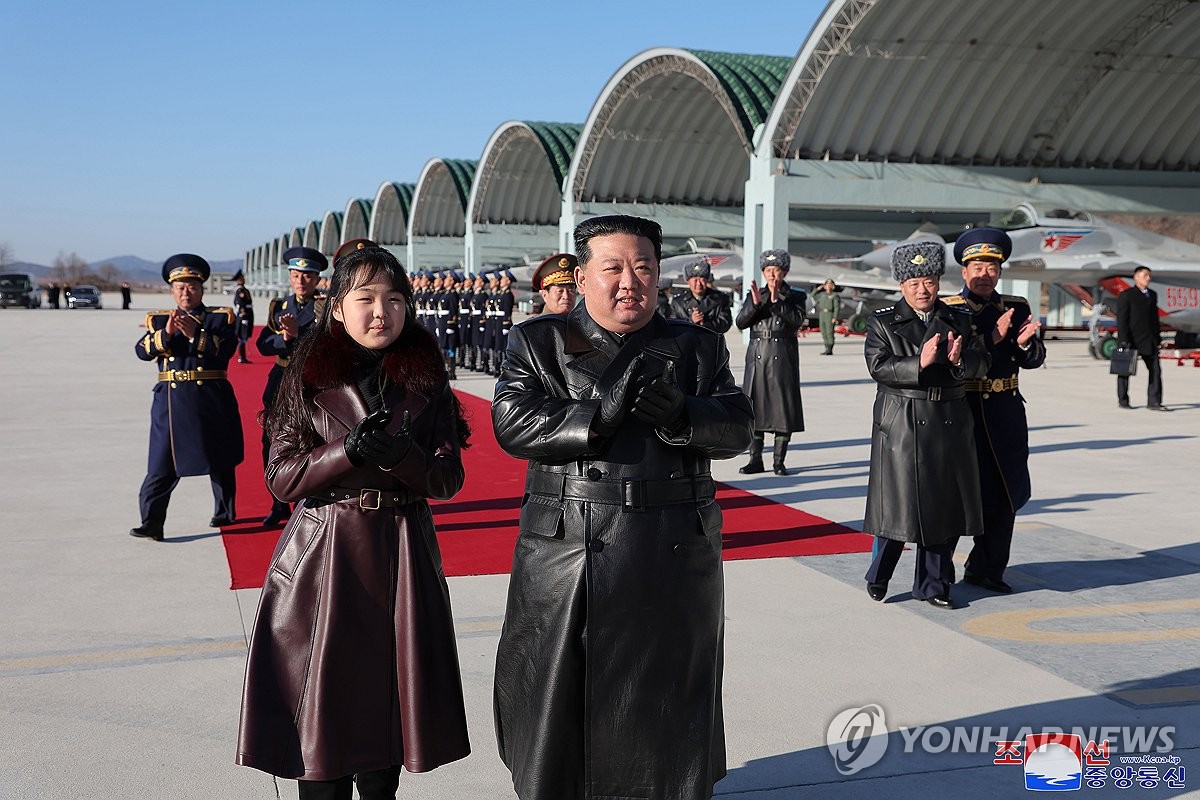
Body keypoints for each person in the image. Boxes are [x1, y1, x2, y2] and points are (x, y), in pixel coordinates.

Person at [492, 214, 754, 800]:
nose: (628, 281)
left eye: (643, 268)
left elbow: (739, 425)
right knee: (559, 700)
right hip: (570, 549)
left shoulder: (696, 346)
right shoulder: (541, 342)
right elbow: (513, 424)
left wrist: (684, 415)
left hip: (672, 550)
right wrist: (598, 418)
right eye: (612, 267)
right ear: (582, 276)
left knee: (668, 701)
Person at [237, 244, 471, 799]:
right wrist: (348, 452)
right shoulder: (304, 374)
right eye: (364, 298)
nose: (380, 312)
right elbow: (282, 478)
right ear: (337, 307)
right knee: (322, 719)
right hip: (326, 554)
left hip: (402, 555)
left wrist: (398, 456)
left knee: (387, 717)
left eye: (394, 299)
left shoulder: (427, 378)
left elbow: (446, 480)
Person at [862, 241, 989, 609]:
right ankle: (879, 574)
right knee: (898, 510)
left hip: (949, 421)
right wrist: (921, 361)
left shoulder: (959, 320)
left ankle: (932, 585)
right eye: (914, 282)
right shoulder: (883, 321)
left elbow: (982, 363)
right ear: (902, 284)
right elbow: (878, 367)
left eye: (929, 281)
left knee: (942, 509)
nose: (923, 289)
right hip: (902, 423)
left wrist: (959, 360)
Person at [945, 227, 1045, 594]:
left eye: (992, 267)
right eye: (977, 267)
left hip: (1006, 412)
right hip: (965, 412)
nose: (984, 275)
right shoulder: (950, 309)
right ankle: (939, 572)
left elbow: (1034, 358)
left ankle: (988, 568)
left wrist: (1022, 345)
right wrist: (995, 338)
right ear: (964, 271)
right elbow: (954, 359)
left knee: (1005, 493)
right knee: (959, 494)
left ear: (1001, 270)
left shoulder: (1017, 306)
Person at [130, 254, 243, 540]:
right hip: (171, 401)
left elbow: (225, 351)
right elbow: (142, 351)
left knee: (220, 458)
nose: (185, 292)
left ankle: (224, 511)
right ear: (171, 290)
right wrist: (166, 334)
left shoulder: (220, 318)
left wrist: (196, 335)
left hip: (209, 399)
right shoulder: (158, 320)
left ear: (202, 289)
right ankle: (151, 521)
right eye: (179, 287)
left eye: (191, 286)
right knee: (160, 463)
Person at [256, 245, 328, 527]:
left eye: (308, 276)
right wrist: (284, 339)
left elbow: (324, 347)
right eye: (296, 275)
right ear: (289, 276)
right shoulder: (279, 306)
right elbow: (263, 345)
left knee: (306, 442)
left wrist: (297, 337)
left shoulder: (324, 308)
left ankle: (304, 502)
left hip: (309, 383)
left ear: (317, 279)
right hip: (280, 380)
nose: (301, 281)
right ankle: (277, 503)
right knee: (272, 443)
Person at [734, 249, 807, 475]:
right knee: (756, 409)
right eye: (768, 270)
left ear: (784, 272)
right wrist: (755, 304)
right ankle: (755, 459)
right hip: (758, 355)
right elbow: (741, 323)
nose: (772, 275)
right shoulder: (755, 295)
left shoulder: (796, 296)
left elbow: (796, 321)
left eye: (776, 270)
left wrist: (776, 302)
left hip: (782, 355)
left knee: (782, 408)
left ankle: (778, 461)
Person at [1116, 265, 1167, 411]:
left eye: (1149, 276)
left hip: (1149, 340)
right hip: (1131, 339)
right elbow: (1122, 320)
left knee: (1155, 370)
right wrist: (1123, 340)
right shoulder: (1127, 295)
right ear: (1136, 277)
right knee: (1124, 371)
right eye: (1145, 275)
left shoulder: (1152, 294)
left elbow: (1154, 319)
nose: (1148, 278)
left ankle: (1154, 401)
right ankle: (1123, 400)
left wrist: (1157, 339)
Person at [669, 257, 732, 333]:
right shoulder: (678, 302)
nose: (698, 284)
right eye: (695, 280)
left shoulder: (720, 299)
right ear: (688, 282)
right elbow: (673, 325)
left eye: (702, 279)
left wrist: (705, 324)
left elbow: (726, 323)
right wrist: (691, 321)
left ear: (707, 280)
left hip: (711, 342)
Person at [231, 269, 254, 363]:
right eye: (242, 278)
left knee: (244, 337)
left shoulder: (243, 289)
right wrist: (243, 315)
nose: (243, 279)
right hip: (244, 316)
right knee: (242, 337)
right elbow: (240, 303)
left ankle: (242, 356)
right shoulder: (240, 290)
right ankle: (242, 357)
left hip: (247, 314)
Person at [814, 278, 842, 355]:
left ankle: (830, 349)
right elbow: (813, 295)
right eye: (827, 284)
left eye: (830, 284)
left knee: (829, 332)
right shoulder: (822, 295)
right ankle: (826, 348)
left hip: (830, 314)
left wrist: (835, 317)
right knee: (823, 331)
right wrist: (818, 289)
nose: (829, 286)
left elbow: (837, 307)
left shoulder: (834, 296)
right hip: (822, 314)